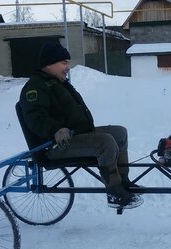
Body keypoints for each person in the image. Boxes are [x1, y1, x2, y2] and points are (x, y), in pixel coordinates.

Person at [18, 41, 143, 209]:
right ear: (49, 64)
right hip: (54, 146)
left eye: (68, 62)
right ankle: (115, 193)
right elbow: (35, 118)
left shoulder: (58, 83)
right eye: (64, 62)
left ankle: (123, 182)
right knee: (105, 142)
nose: (68, 66)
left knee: (119, 133)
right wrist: (55, 130)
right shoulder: (35, 87)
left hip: (76, 134)